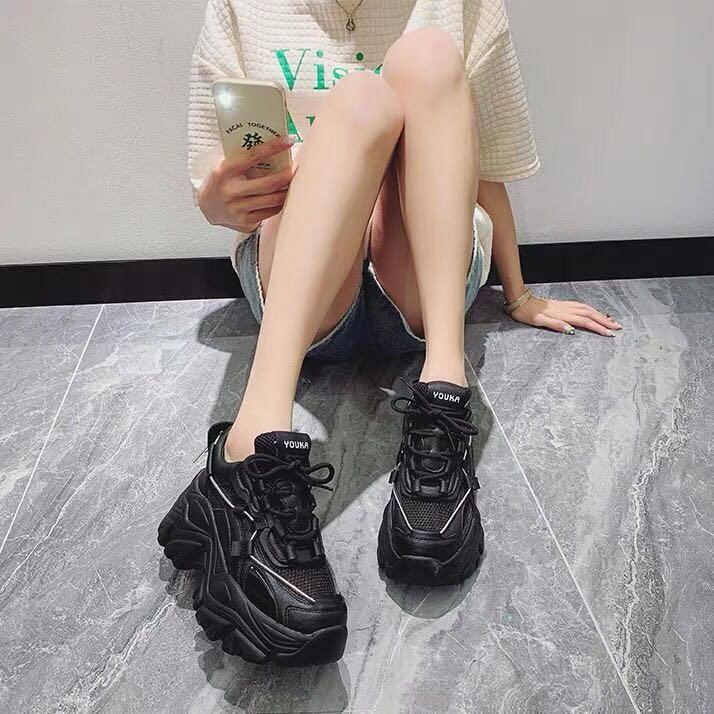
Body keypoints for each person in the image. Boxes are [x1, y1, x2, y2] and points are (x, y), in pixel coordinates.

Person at [158, 0, 622, 666]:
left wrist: (517, 295)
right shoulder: (243, 6)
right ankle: (247, 448)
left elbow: (480, 173)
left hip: (420, 294)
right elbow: (217, 179)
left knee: (426, 56)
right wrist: (213, 201)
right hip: (304, 294)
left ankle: (443, 388)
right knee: (362, 99)